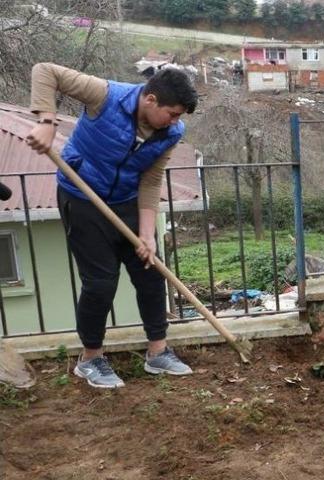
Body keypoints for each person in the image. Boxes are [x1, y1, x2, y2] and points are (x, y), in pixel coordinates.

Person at [26, 63, 198, 388]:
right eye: (172, 113)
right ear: (150, 99)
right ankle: (90, 359)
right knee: (101, 282)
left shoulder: (170, 133)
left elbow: (151, 180)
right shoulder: (105, 96)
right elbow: (44, 71)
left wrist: (147, 234)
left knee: (150, 268)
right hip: (82, 198)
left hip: (128, 200)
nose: (176, 122)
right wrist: (46, 123)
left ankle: (157, 353)